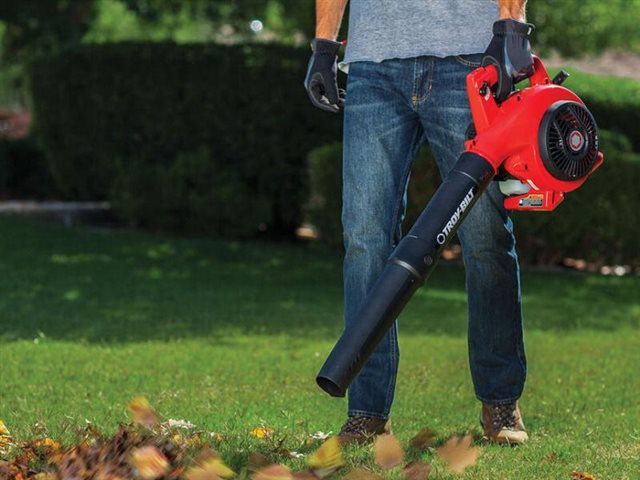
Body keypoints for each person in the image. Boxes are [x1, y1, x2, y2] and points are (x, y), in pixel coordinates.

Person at [304, 0, 534, 445]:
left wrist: (512, 26)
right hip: (374, 65)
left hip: (468, 57)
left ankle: (501, 401)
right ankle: (367, 413)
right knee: (365, 238)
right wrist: (324, 44)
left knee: (484, 233)